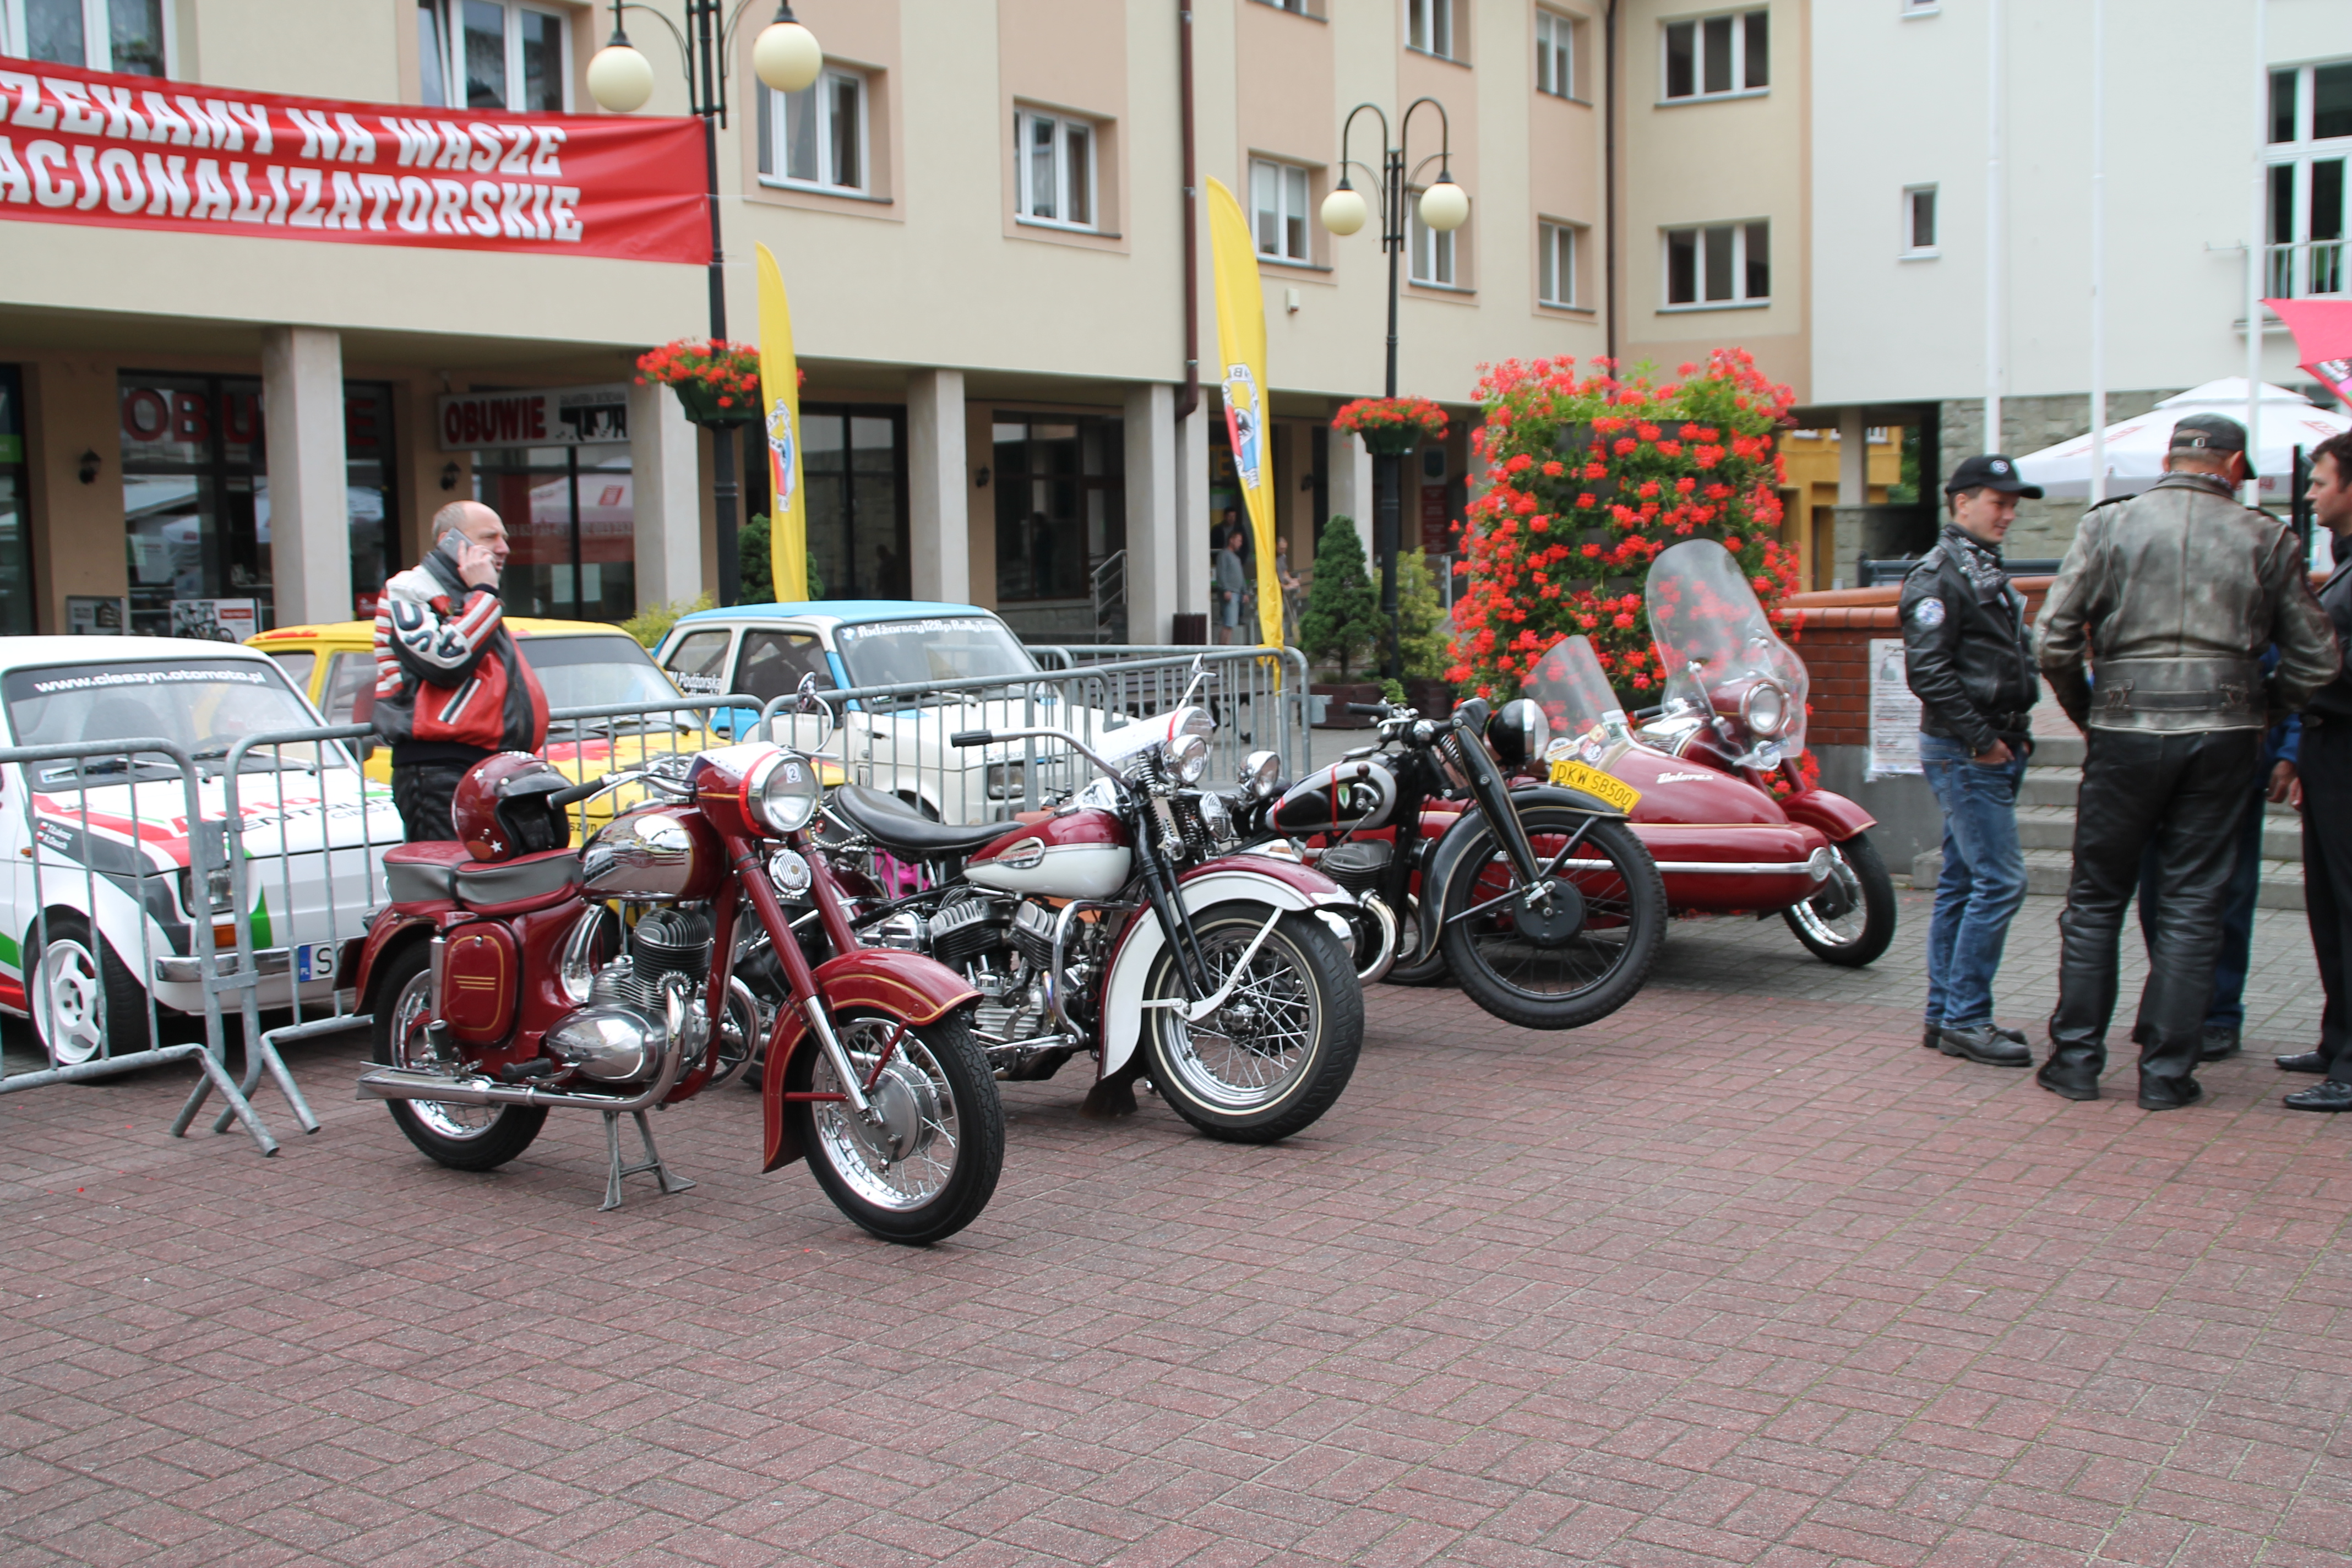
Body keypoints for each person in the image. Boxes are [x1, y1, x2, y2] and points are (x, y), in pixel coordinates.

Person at [2034, 414, 2339, 1109]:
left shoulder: (2108, 525)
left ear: (2171, 458)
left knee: (2095, 900)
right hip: (2224, 730)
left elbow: (2052, 641)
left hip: (2125, 723)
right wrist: (2264, 711)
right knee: (2195, 903)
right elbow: (2317, 656)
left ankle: (2076, 1060)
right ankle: (2168, 1074)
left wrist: (2089, 712)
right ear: (2232, 466)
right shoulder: (2266, 536)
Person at [1902, 455, 2044, 1069]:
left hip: (1987, 744)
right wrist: (1983, 739)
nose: (2008, 513)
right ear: (1961, 502)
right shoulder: (1939, 575)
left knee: (1965, 882)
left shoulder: (1979, 568)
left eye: (2013, 504)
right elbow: (1928, 672)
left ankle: (1947, 1014)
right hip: (1968, 749)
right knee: (2001, 881)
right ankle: (1965, 1018)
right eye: (1998, 502)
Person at [2135, 651, 2298, 1064]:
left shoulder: (2256, 613)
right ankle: (2173, 1004)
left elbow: (2298, 669)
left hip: (2236, 767)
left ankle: (2219, 1014)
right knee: (2156, 897)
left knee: (2228, 899)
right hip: (2154, 763)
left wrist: (2290, 749)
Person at [373, 500, 550, 842]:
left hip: (495, 764)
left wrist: (480, 594)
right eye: (489, 537)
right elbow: (444, 660)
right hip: (441, 767)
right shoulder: (409, 587)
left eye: (504, 538)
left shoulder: (471, 594)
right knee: (449, 869)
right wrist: (485, 593)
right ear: (449, 541)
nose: (503, 548)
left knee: (503, 871)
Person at [2277, 430, 2352, 1110]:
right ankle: (2337, 1042)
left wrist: (2302, 671)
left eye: (2322, 481)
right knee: (2327, 905)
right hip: (2329, 753)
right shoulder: (2344, 563)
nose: (2311, 493)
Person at [1213, 522, 1248, 645]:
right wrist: (1226, 589)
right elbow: (1221, 573)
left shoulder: (1236, 558)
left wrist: (1245, 591)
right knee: (1228, 623)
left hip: (1237, 592)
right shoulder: (1224, 555)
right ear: (1231, 540)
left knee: (1231, 623)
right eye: (1239, 540)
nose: (1240, 543)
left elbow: (1241, 576)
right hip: (1230, 592)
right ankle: (1223, 648)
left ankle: (1226, 647)